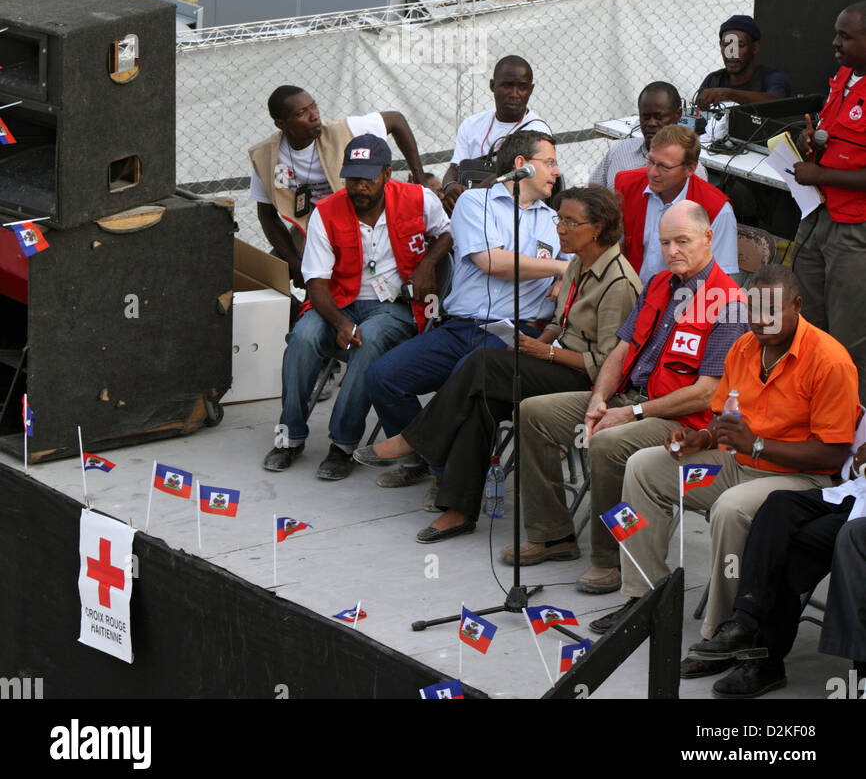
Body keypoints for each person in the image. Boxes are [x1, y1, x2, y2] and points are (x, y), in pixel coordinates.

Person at [607, 265, 859, 678]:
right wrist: (701, 440)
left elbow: (832, 456)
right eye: (754, 309)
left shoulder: (829, 360)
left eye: (773, 309)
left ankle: (722, 632)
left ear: (798, 305)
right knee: (644, 466)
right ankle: (646, 598)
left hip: (798, 480)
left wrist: (756, 445)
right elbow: (725, 421)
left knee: (730, 507)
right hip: (737, 461)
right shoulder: (744, 347)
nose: (761, 319)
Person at [355, 186, 641, 544]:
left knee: (484, 364)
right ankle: (458, 510)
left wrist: (545, 353)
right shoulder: (577, 262)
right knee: (481, 399)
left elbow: (608, 366)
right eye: (559, 220)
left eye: (571, 222)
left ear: (597, 227)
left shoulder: (618, 282)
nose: (560, 230)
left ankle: (414, 440)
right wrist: (541, 341)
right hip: (556, 361)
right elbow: (560, 321)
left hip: (586, 383)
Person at [511, 201, 746, 589]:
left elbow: (706, 394)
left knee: (608, 443)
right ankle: (552, 533)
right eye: (666, 242)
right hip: (626, 397)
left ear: (708, 238)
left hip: (678, 422)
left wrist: (631, 412)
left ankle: (610, 560)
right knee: (533, 412)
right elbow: (620, 350)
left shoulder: (730, 303)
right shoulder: (657, 284)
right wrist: (599, 399)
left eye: (682, 241)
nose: (672, 251)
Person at [363, 130, 568, 455]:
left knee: (465, 381)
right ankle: (426, 457)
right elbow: (491, 261)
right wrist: (558, 269)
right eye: (550, 162)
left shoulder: (557, 221)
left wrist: (566, 276)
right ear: (522, 165)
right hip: (459, 328)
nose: (557, 172)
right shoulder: (476, 202)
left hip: (516, 334)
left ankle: (441, 471)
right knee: (381, 376)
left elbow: (580, 268)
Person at [262, 134, 451, 480]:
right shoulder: (326, 212)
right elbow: (315, 283)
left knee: (370, 340)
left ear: (386, 173)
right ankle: (289, 436)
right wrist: (339, 323)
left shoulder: (419, 199)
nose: (358, 186)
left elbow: (447, 234)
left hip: (394, 306)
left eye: (367, 178)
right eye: (352, 178)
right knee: (302, 339)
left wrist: (428, 264)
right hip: (337, 303)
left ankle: (343, 444)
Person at [685, 407, 866, 698]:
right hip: (852, 496)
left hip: (857, 521)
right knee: (779, 508)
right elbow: (846, 466)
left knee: (799, 545)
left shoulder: (831, 367)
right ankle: (745, 620)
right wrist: (857, 464)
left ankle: (765, 659)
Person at [248, 85, 425, 288]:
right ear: (281, 124)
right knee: (262, 282)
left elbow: (396, 120)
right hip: (309, 231)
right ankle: (296, 315)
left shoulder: (343, 131)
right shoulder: (268, 157)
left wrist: (421, 178)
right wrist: (295, 264)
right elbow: (266, 215)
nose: (314, 116)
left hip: (354, 224)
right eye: (301, 113)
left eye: (313, 107)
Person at [791, 0, 866, 397]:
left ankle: (852, 437)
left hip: (855, 227)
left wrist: (821, 173)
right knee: (811, 326)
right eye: (836, 33)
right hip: (819, 214)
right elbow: (832, 134)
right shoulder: (843, 75)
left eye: (846, 37)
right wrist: (812, 140)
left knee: (849, 337)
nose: (835, 43)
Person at [615, 124, 738, 280]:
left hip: (683, 298)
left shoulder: (716, 209)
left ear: (690, 169)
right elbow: (615, 247)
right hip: (631, 293)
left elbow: (718, 278)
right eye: (651, 161)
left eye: (664, 167)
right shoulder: (627, 185)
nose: (653, 173)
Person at [441, 56, 552, 212]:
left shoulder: (537, 130)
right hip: (471, 208)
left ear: (531, 90)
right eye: (507, 85)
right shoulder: (471, 124)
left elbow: (514, 174)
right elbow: (455, 167)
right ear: (492, 85)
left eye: (522, 87)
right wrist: (449, 187)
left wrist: (471, 198)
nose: (514, 93)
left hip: (514, 211)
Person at [591, 81, 707, 189]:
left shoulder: (691, 170)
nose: (651, 123)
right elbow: (593, 194)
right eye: (645, 117)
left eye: (659, 117)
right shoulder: (619, 151)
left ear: (678, 115)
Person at [695, 15, 791, 110]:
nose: (732, 53)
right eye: (726, 45)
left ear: (755, 47)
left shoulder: (772, 78)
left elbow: (776, 102)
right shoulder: (713, 80)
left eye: (740, 45)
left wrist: (730, 95)